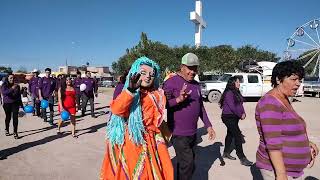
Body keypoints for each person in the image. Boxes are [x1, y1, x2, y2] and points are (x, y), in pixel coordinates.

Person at [100, 57, 173, 180]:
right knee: (139, 172)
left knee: (164, 168)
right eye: (143, 73)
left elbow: (158, 116)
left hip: (153, 138)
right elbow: (117, 110)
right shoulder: (129, 92)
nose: (148, 76)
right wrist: (130, 91)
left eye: (152, 74)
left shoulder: (156, 94)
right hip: (134, 139)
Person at [255, 60, 319, 180]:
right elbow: (273, 143)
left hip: (291, 171)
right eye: (293, 79)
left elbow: (285, 130)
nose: (298, 84)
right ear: (279, 79)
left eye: (299, 80)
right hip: (278, 170)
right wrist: (281, 174)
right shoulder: (270, 103)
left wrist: (307, 144)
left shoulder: (283, 99)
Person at [163, 53, 216, 180]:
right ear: (182, 67)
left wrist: (208, 126)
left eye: (195, 68)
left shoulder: (196, 85)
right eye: (190, 68)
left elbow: (200, 107)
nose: (193, 72)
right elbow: (163, 105)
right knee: (188, 164)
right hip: (178, 133)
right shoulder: (170, 82)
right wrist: (179, 99)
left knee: (185, 164)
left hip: (192, 133)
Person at [218, 76, 253, 166]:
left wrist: (243, 112)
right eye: (237, 82)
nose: (239, 83)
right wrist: (240, 114)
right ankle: (242, 158)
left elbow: (240, 104)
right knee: (237, 136)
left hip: (234, 117)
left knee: (230, 134)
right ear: (232, 83)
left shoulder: (237, 92)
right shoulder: (229, 93)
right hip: (228, 117)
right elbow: (232, 107)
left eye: (239, 82)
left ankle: (225, 153)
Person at [1, 73, 22, 139]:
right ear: (7, 78)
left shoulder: (17, 86)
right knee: (8, 117)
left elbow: (19, 96)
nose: (12, 79)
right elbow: (4, 93)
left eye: (13, 78)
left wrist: (21, 105)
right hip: (7, 104)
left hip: (15, 103)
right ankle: (7, 129)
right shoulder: (4, 85)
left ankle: (15, 132)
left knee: (15, 118)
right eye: (10, 78)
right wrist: (12, 88)